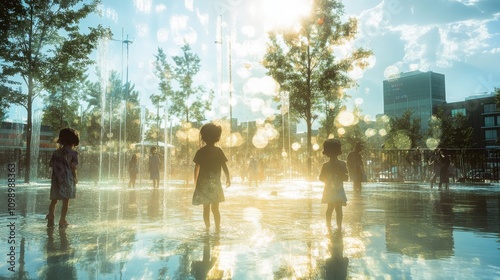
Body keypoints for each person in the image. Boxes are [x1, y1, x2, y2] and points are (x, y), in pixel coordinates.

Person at [192, 122, 231, 232]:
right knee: (215, 208)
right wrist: (228, 178)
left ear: (203, 137)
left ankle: (207, 228)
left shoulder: (201, 151)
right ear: (217, 137)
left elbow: (196, 168)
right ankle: (217, 228)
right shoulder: (218, 151)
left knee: (206, 208)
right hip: (215, 184)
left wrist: (195, 181)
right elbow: (224, 166)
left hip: (203, 183)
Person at [46, 128, 79, 228]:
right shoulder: (73, 154)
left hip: (56, 179)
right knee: (66, 200)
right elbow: (73, 167)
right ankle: (62, 220)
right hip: (67, 179)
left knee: (54, 200)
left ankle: (51, 216)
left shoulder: (56, 152)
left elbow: (51, 164)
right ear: (74, 140)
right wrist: (75, 178)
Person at [319, 139, 348, 232]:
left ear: (326, 152)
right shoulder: (341, 164)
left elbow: (320, 178)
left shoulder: (326, 165)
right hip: (337, 189)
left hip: (330, 190)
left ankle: (329, 227)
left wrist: (329, 178)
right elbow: (346, 178)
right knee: (337, 209)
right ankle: (338, 227)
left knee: (330, 208)